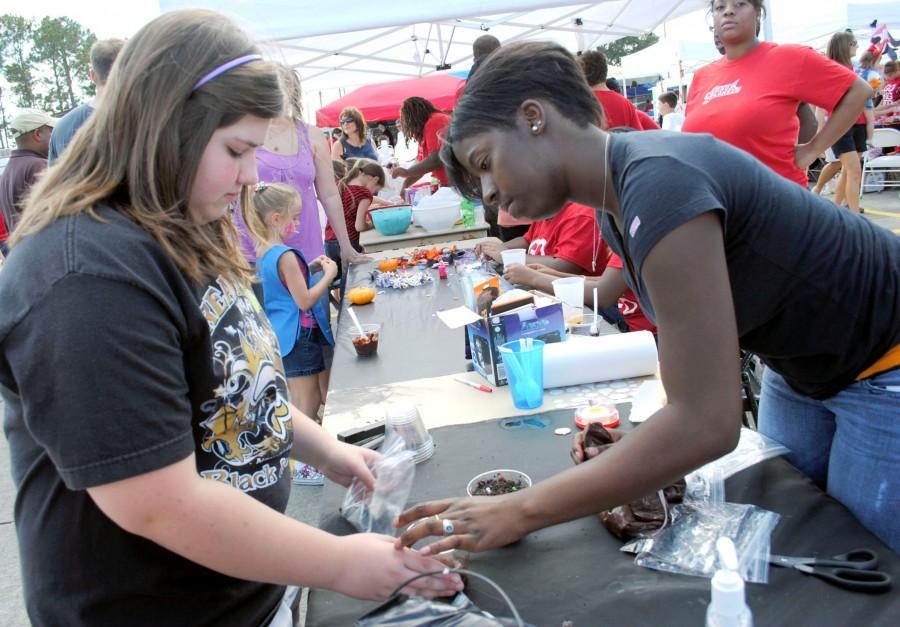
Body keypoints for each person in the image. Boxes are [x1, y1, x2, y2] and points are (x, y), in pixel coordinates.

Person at [0, 11, 461, 626]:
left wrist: (332, 453)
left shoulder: (182, 224)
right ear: (166, 129)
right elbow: (158, 505)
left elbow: (237, 389)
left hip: (241, 596)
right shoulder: (85, 277)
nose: (250, 174)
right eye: (237, 150)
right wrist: (340, 563)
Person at [396, 41, 900, 556]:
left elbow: (707, 422)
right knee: (798, 538)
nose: (488, 195)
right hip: (804, 369)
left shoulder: (658, 183)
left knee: (869, 568)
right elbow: (694, 385)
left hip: (885, 363)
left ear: (533, 118)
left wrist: (519, 510)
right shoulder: (613, 206)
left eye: (485, 162)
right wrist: (641, 446)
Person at [683, 1, 871, 187]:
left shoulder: (788, 57)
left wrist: (813, 149)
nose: (728, 12)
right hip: (718, 203)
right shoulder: (702, 76)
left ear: (757, 12)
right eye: (720, 7)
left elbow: (858, 91)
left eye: (740, 4)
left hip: (775, 201)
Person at [243, 181, 338, 485]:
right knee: (305, 406)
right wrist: (330, 275)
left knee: (306, 401)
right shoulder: (285, 254)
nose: (298, 224)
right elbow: (305, 299)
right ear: (275, 219)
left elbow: (285, 286)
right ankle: (303, 469)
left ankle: (309, 462)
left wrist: (308, 268)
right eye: (294, 218)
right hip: (300, 337)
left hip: (285, 336)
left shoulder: (265, 251)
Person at [233, 65, 366, 268]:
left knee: (312, 298)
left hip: (306, 250)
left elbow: (329, 194)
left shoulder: (311, 135)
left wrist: (346, 246)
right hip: (255, 251)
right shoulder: (243, 131)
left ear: (290, 91)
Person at [47, 38, 125, 164]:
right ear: (132, 71)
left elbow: (53, 180)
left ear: (93, 75)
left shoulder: (62, 127)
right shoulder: (145, 122)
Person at [477, 201, 607, 276]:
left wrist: (507, 256)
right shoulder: (545, 211)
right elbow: (527, 240)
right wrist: (495, 250)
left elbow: (564, 266)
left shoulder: (581, 215)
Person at [820, 31, 869, 213]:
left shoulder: (849, 68)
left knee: (849, 171)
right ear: (844, 46)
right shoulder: (833, 69)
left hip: (857, 123)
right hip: (843, 125)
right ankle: (855, 218)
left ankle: (836, 211)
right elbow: (827, 99)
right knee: (853, 170)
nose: (857, 45)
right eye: (854, 42)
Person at [324, 158, 386, 280]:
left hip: (330, 241)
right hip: (349, 243)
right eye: (376, 190)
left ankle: (340, 299)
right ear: (375, 179)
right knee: (352, 281)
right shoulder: (364, 193)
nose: (373, 193)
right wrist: (371, 224)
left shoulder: (340, 184)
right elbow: (359, 226)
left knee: (338, 280)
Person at [0, 109, 57, 241]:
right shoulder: (38, 166)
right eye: (51, 131)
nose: (54, 136)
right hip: (43, 250)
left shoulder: (9, 170)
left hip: (23, 252)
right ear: (37, 134)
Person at [578, 50, 659, 131]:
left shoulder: (578, 103)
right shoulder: (625, 103)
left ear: (581, 72)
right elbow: (636, 137)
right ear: (605, 71)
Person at [391, 96, 452, 194]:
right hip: (451, 184)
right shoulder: (426, 127)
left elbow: (437, 159)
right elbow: (421, 164)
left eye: (406, 121)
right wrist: (405, 185)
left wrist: (407, 172)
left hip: (457, 184)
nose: (407, 126)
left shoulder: (435, 121)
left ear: (413, 116)